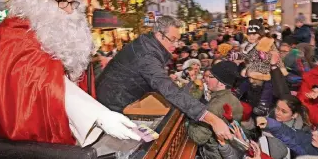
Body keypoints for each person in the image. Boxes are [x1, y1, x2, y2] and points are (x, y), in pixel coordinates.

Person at [0, 0, 139, 159]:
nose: (70, 10)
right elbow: (34, 79)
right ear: (37, 2)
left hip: (63, 131)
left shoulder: (59, 35)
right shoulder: (13, 33)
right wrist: (98, 115)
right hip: (26, 141)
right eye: (61, 2)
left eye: (73, 3)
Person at [97, 16, 233, 141]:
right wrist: (212, 119)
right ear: (159, 35)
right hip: (111, 103)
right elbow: (167, 88)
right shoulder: (147, 55)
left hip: (120, 98)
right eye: (172, 39)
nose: (175, 44)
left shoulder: (149, 44)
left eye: (177, 40)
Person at [187, 61, 243, 159]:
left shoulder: (216, 105)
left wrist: (189, 121)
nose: (206, 80)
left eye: (211, 77)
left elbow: (199, 137)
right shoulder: (232, 98)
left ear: (222, 82)